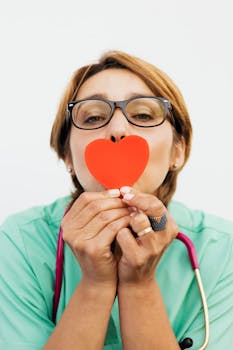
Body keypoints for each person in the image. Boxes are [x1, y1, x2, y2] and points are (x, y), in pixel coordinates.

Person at [0, 50, 233, 350]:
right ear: (68, 155)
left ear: (179, 151)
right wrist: (95, 285)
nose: (118, 130)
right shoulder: (18, 242)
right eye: (94, 116)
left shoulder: (223, 250)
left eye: (143, 115)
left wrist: (139, 284)